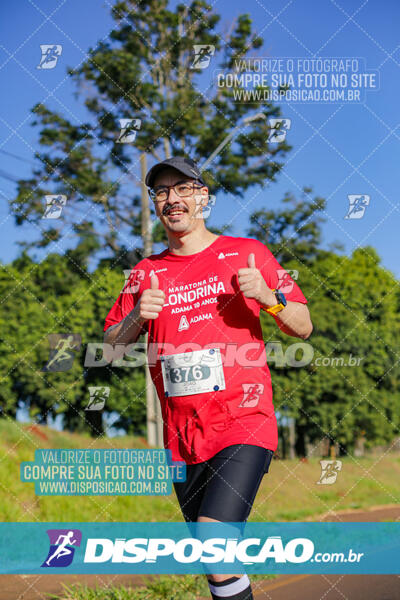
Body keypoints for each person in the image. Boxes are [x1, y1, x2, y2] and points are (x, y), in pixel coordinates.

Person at [103, 156, 313, 600]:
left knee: (215, 541)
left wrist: (269, 298)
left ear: (203, 196)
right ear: (155, 204)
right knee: (214, 556)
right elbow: (111, 346)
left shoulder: (247, 253)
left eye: (183, 188)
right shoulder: (145, 273)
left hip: (243, 420)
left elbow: (303, 325)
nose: (172, 198)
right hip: (182, 435)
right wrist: (135, 320)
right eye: (162, 191)